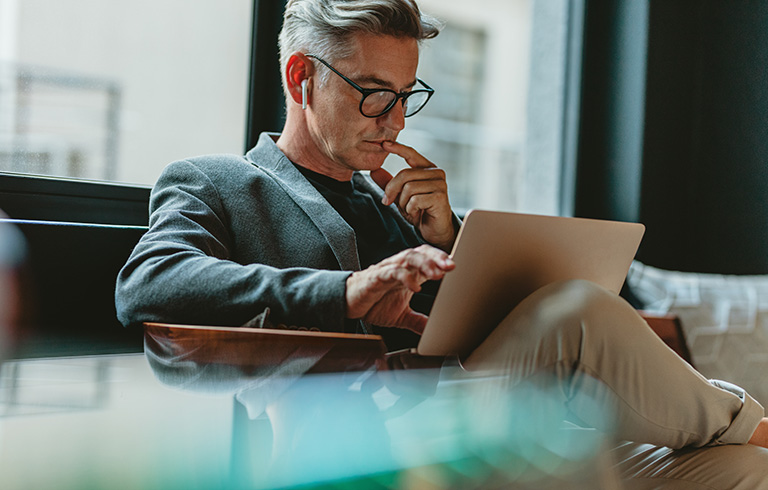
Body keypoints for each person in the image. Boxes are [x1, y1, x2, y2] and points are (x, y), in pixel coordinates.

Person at [115, 0, 768, 487]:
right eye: (374, 95)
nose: (395, 120)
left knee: (743, 471)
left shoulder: (397, 208)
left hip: (493, 428)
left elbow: (472, 337)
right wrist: (345, 292)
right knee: (578, 313)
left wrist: (451, 237)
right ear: (299, 78)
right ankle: (750, 415)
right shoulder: (217, 182)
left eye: (406, 96)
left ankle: (744, 433)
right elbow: (149, 283)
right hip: (376, 445)